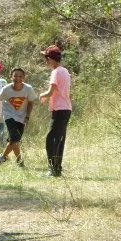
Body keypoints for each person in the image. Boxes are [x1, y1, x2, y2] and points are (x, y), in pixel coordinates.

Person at [0, 67, 36, 167]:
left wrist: (27, 116)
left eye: (20, 76)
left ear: (24, 77)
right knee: (15, 137)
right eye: (15, 76)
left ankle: (4, 157)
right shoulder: (6, 89)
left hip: (22, 117)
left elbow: (31, 102)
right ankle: (17, 161)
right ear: (11, 77)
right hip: (9, 116)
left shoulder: (28, 89)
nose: (18, 78)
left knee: (15, 140)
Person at [39, 45, 72, 177]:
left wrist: (42, 95)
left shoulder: (56, 72)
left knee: (51, 139)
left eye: (47, 59)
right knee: (59, 138)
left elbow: (51, 91)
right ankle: (57, 169)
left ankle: (52, 169)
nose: (46, 62)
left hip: (59, 109)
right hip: (66, 108)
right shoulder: (65, 71)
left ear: (51, 59)